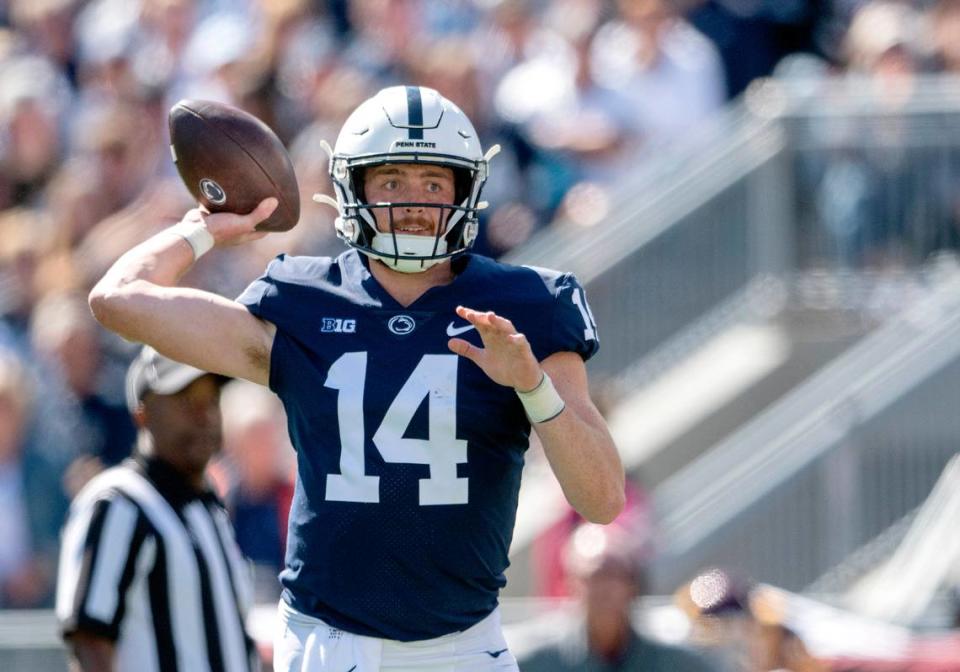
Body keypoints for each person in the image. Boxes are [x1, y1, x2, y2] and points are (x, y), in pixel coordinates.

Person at [88, 85, 625, 671]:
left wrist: (532, 385)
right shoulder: (302, 299)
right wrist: (205, 228)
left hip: (464, 644)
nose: (413, 203)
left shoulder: (525, 305)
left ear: (466, 191)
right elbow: (117, 300)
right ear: (354, 188)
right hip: (326, 641)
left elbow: (601, 500)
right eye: (391, 181)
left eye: (433, 183)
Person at [55, 346, 258, 672]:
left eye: (212, 400)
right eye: (186, 401)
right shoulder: (119, 502)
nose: (204, 415)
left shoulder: (209, 507)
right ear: (142, 414)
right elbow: (89, 640)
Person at [518, 521, 718, 672]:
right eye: (593, 577)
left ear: (632, 585)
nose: (604, 589)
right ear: (572, 585)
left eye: (613, 575)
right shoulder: (537, 661)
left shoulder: (674, 662)